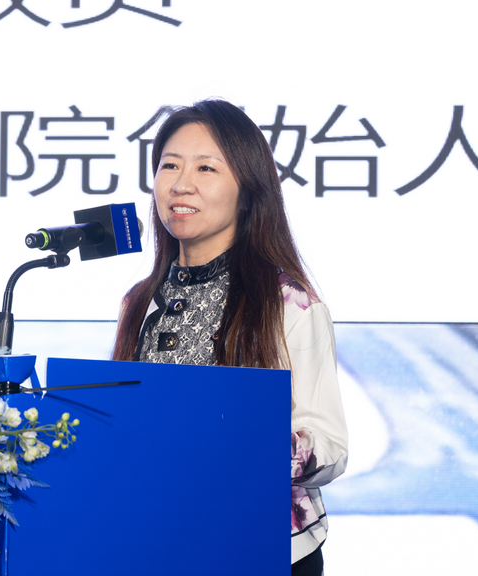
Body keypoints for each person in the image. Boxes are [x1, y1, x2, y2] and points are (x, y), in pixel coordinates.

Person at [111, 99, 348, 575]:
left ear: (247, 190)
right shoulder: (139, 301)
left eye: (206, 168)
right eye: (169, 166)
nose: (181, 184)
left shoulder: (289, 304)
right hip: (158, 545)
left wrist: (240, 442)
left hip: (262, 551)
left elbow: (330, 448)